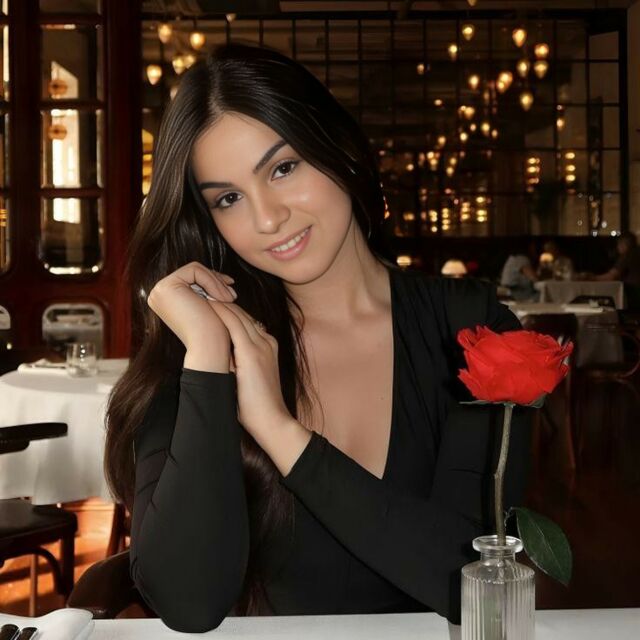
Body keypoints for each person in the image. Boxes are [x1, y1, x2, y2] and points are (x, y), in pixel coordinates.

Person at [104, 43, 531, 633]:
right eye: (228, 199)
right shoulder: (198, 348)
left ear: (342, 150)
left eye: (283, 168)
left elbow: (468, 582)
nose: (267, 218)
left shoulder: (472, 331)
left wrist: (278, 430)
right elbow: (187, 602)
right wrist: (206, 358)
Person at [589, 231, 640, 309]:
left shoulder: (627, 255)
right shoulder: (637, 252)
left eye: (618, 244)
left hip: (634, 294)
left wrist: (591, 277)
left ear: (624, 244)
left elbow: (611, 276)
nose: (617, 247)